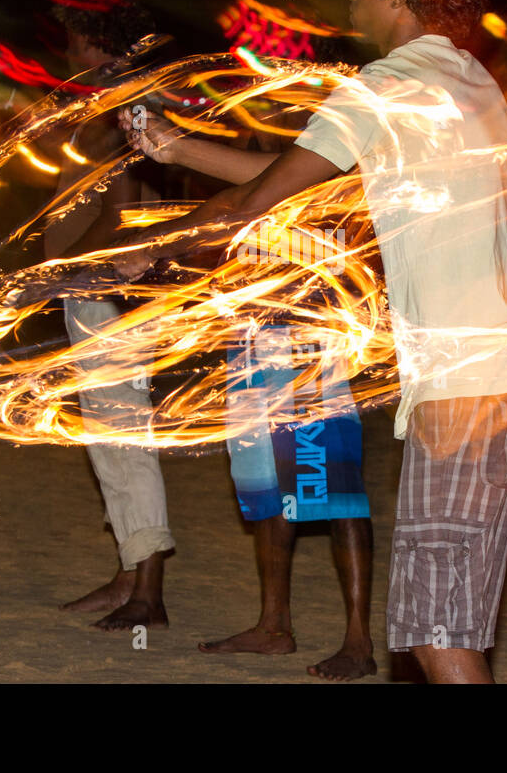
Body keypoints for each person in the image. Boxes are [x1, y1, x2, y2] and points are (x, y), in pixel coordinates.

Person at [118, 0, 507, 683]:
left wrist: (149, 254)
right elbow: (299, 183)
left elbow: (260, 203)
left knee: (438, 632)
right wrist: (180, 145)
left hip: (467, 399)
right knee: (443, 622)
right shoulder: (466, 84)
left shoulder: (383, 86)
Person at [127, 106, 376, 680]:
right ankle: (273, 625)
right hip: (252, 352)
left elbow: (257, 200)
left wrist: (162, 236)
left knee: (336, 496)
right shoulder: (260, 185)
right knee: (267, 491)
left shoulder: (333, 180)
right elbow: (225, 227)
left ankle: (359, 641)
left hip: (307, 353)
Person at [44, 0, 175, 629]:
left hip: (108, 291)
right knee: (109, 437)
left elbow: (121, 213)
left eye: (73, 42)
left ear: (96, 43)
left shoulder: (126, 103)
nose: (66, 55)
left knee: (125, 437)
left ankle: (148, 591)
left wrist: (59, 268)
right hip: (97, 288)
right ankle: (129, 575)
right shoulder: (116, 101)